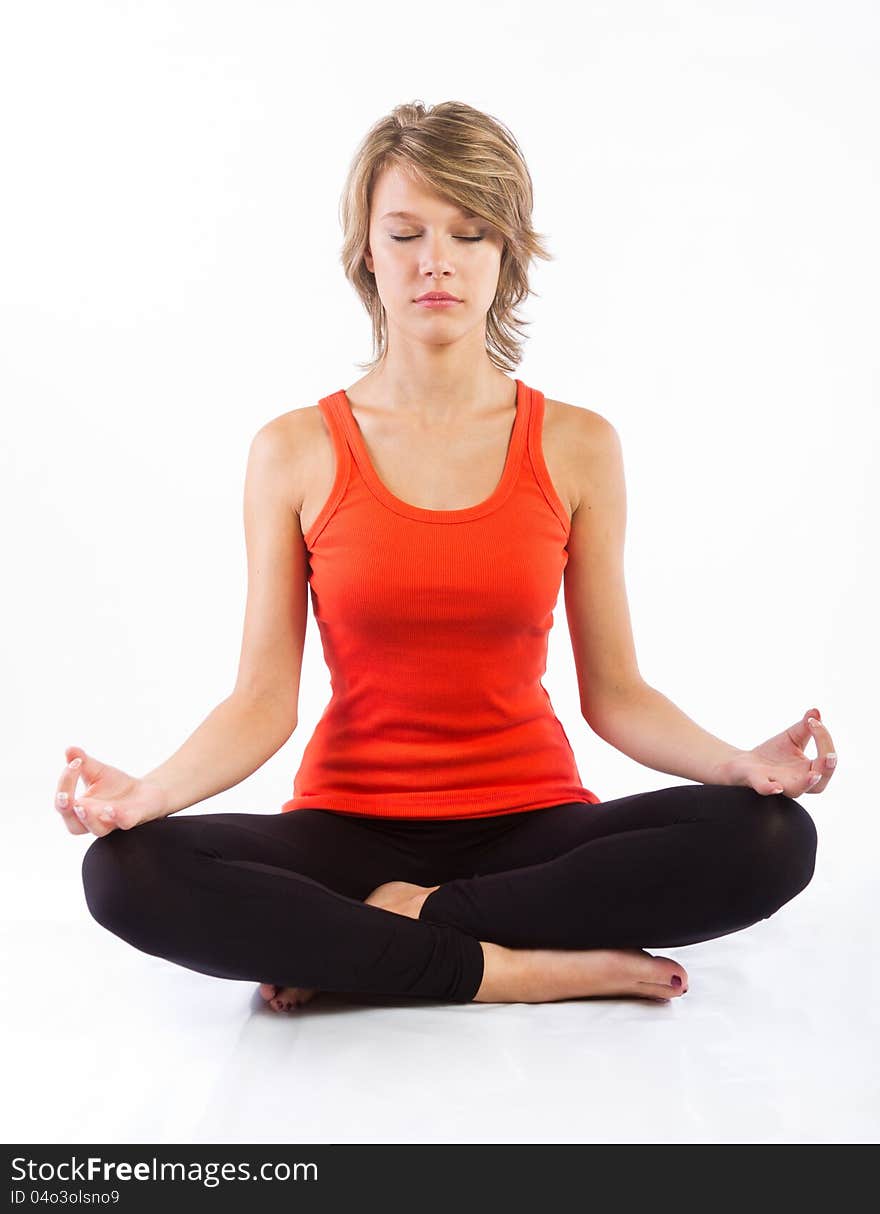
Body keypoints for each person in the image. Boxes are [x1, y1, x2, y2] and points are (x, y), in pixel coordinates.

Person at [58, 100, 831, 1012]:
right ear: (366, 255)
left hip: (534, 832)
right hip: (346, 834)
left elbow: (616, 695)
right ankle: (507, 969)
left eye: (469, 234)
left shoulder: (577, 445)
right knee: (126, 872)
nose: (436, 261)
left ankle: (390, 937)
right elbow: (261, 703)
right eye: (406, 232)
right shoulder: (294, 450)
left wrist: (738, 765)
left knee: (775, 838)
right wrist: (144, 796)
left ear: (504, 256)